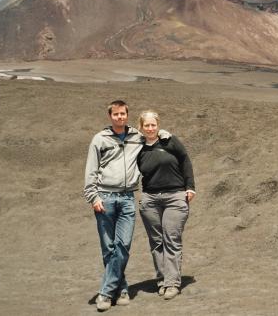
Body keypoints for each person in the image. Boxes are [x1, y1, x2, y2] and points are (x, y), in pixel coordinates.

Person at [83, 100, 141, 311]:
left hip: (127, 198)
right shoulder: (100, 139)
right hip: (105, 198)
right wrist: (93, 197)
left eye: (123, 114)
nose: (120, 117)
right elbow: (91, 170)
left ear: (127, 114)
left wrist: (163, 134)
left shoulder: (137, 137)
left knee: (122, 245)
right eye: (115, 114)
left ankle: (106, 292)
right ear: (110, 116)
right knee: (108, 247)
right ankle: (122, 288)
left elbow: (153, 138)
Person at [137, 110, 196, 300]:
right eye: (146, 125)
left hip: (175, 196)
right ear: (141, 127)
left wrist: (190, 187)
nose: (150, 128)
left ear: (158, 125)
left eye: (153, 125)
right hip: (150, 198)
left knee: (171, 237)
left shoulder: (169, 141)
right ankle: (162, 280)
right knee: (156, 241)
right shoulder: (137, 146)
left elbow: (185, 160)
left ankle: (172, 283)